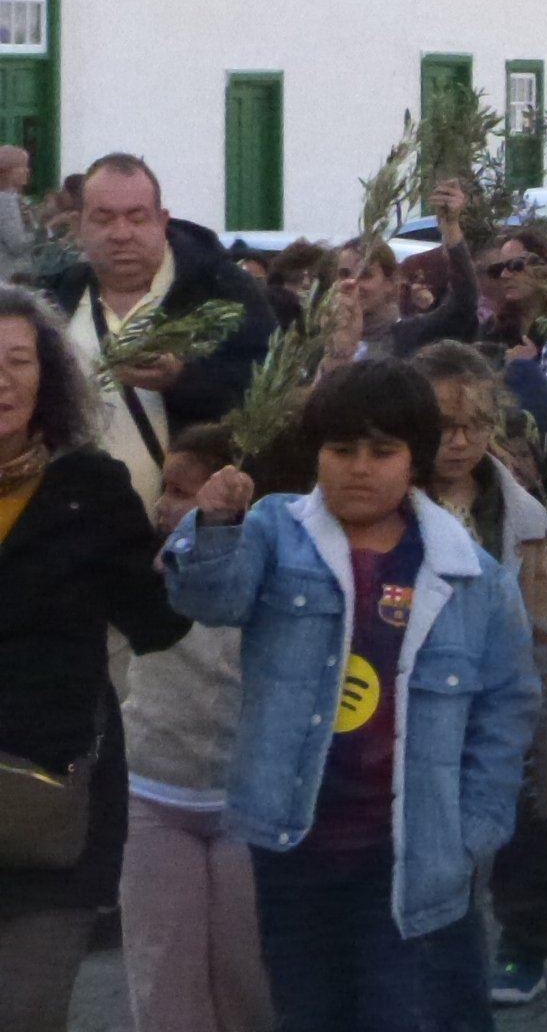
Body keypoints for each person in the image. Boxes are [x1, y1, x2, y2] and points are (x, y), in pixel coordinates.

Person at [163, 359, 541, 1032]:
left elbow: (507, 707)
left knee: (411, 1012)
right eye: (340, 449)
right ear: (316, 453)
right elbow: (209, 598)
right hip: (294, 841)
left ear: (415, 460)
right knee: (310, 1012)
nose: (358, 468)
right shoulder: (278, 532)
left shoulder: (472, 576)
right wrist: (215, 524)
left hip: (413, 850)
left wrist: (475, 828)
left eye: (381, 451)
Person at [0, 286, 191, 1032]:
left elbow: (158, 624)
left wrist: (209, 531)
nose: (4, 379)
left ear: (47, 377)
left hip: (49, 810)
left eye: (19, 360)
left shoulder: (90, 490)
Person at [413, 343, 547, 1010]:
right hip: (423, 691)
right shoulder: (390, 503)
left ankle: (525, 935)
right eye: (443, 426)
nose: (459, 443)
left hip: (505, 688)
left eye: (475, 426)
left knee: (542, 812)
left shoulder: (519, 511)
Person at [119, 425, 274, 1032]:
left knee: (249, 983)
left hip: (244, 800)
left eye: (181, 492)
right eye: (166, 488)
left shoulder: (274, 573)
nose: (163, 504)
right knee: (164, 986)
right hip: (153, 794)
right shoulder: (141, 572)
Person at [49, 153, 277, 505]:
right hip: (78, 534)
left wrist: (183, 379)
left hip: (192, 532)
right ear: (79, 226)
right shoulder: (56, 300)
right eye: (103, 219)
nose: (121, 234)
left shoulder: (221, 289)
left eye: (136, 218)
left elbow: (270, 391)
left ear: (162, 220)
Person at [339, 178, 479, 359]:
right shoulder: (318, 343)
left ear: (391, 282)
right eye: (342, 274)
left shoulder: (411, 336)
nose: (351, 282)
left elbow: (464, 304)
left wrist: (451, 228)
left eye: (365, 275)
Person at [0, 144, 35, 282]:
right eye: (22, 166)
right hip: (10, 277)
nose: (27, 171)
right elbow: (17, 244)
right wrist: (41, 233)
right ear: (6, 171)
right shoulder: (5, 201)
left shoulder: (16, 199)